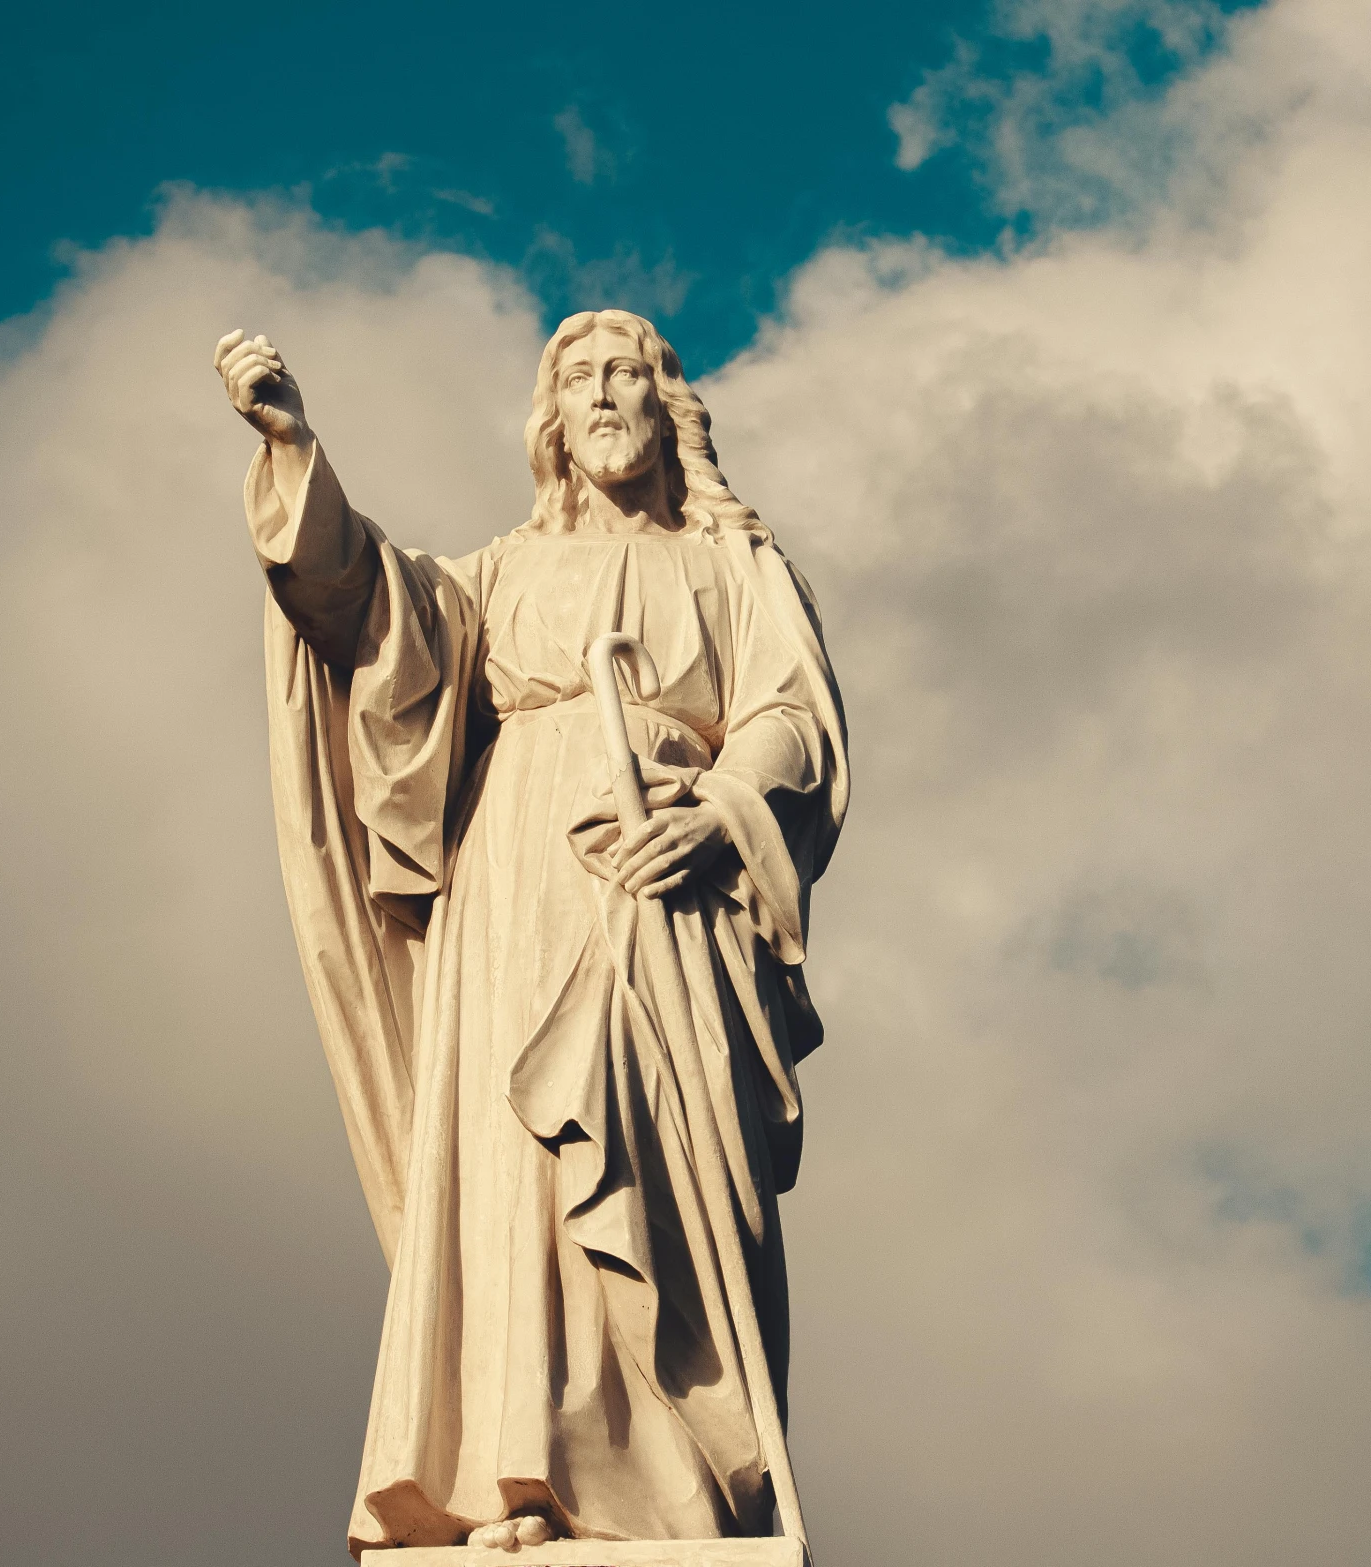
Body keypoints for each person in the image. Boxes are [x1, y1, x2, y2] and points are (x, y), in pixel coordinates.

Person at [216, 310, 848, 1555]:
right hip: (516, 885)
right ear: (551, 419)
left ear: (668, 406)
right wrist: (297, 450)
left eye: (627, 374)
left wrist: (717, 809)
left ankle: (674, 1484)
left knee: (667, 1172)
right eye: (579, 379)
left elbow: (795, 717)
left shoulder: (735, 564)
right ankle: (527, 1478)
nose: (605, 396)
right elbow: (370, 617)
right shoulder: (496, 575)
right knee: (523, 1171)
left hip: (672, 894)